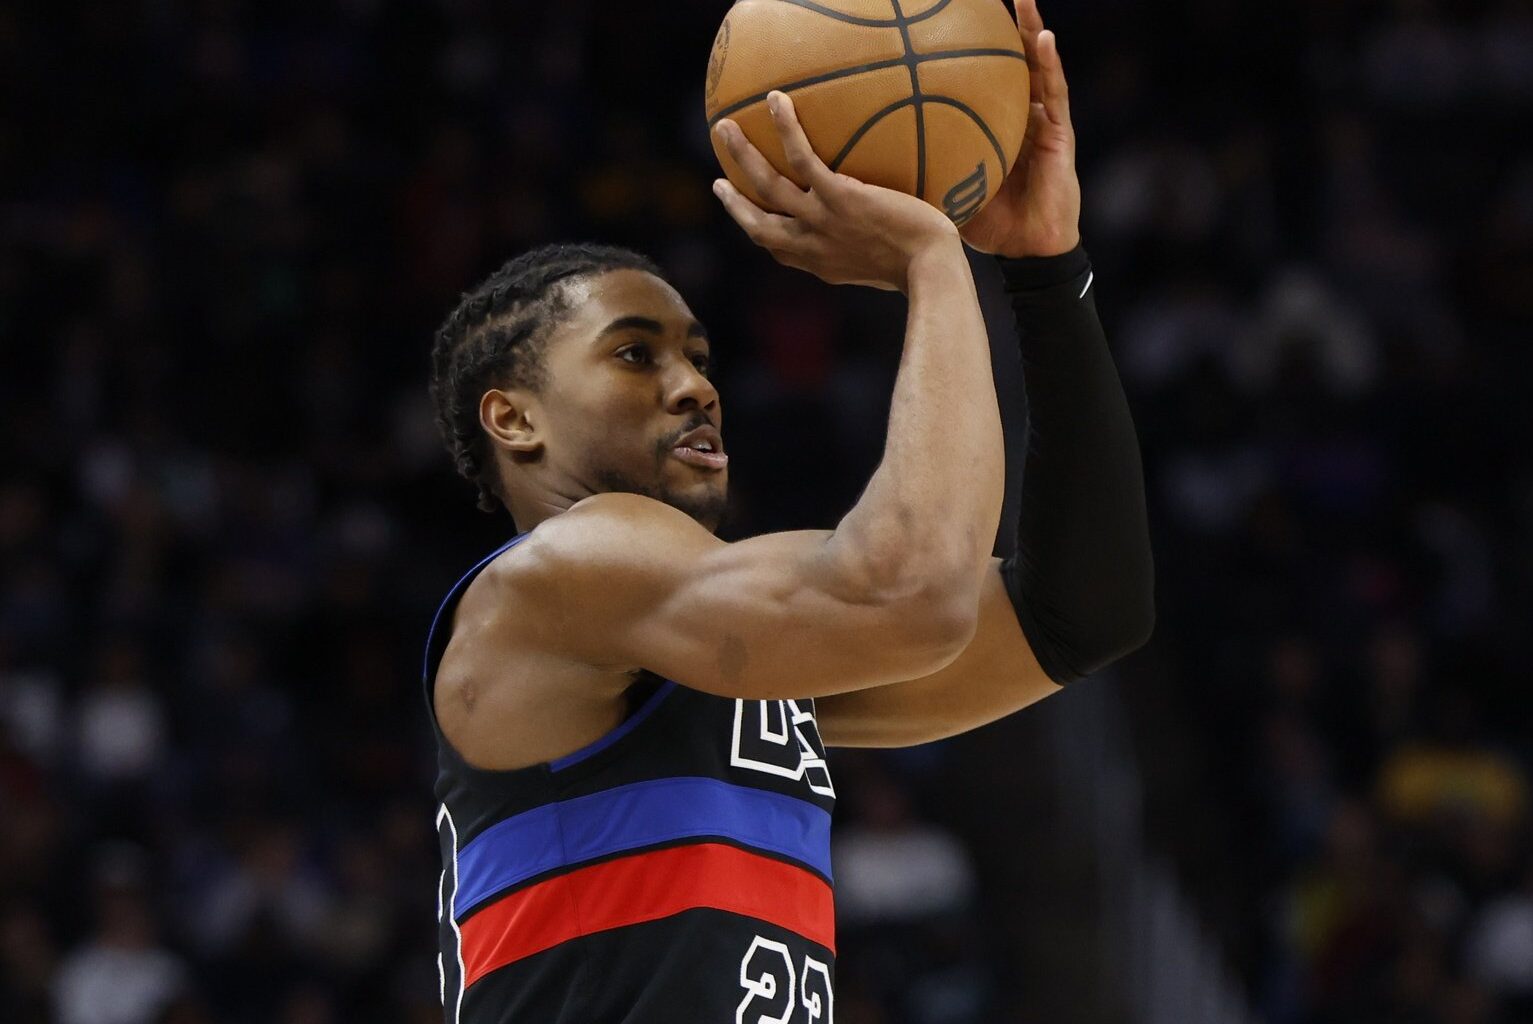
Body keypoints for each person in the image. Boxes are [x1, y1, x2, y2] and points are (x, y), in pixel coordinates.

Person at [419, 2, 1153, 1019]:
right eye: (634, 354)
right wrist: (935, 264)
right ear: (513, 418)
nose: (693, 386)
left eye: (698, 357)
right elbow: (913, 593)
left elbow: (1083, 616)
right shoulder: (557, 573)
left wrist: (1043, 267)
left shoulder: (720, 665)